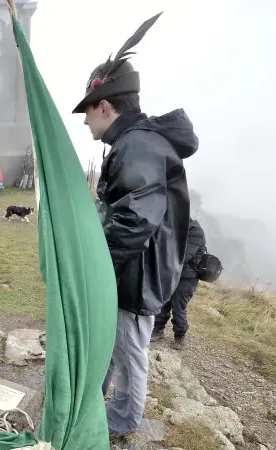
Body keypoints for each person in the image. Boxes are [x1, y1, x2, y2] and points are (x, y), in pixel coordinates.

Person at [71, 13, 197, 438]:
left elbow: (134, 220)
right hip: (133, 271)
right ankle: (99, 405)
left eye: (88, 110)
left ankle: (122, 422)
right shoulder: (133, 142)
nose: (85, 120)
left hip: (136, 276)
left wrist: (92, 263)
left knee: (129, 351)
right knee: (115, 347)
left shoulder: (137, 145)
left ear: (106, 106)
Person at [152, 219, 206, 350]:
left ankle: (180, 336)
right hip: (172, 273)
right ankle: (158, 329)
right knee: (164, 302)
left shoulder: (196, 232)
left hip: (187, 277)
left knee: (179, 306)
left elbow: (184, 256)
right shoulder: (178, 227)